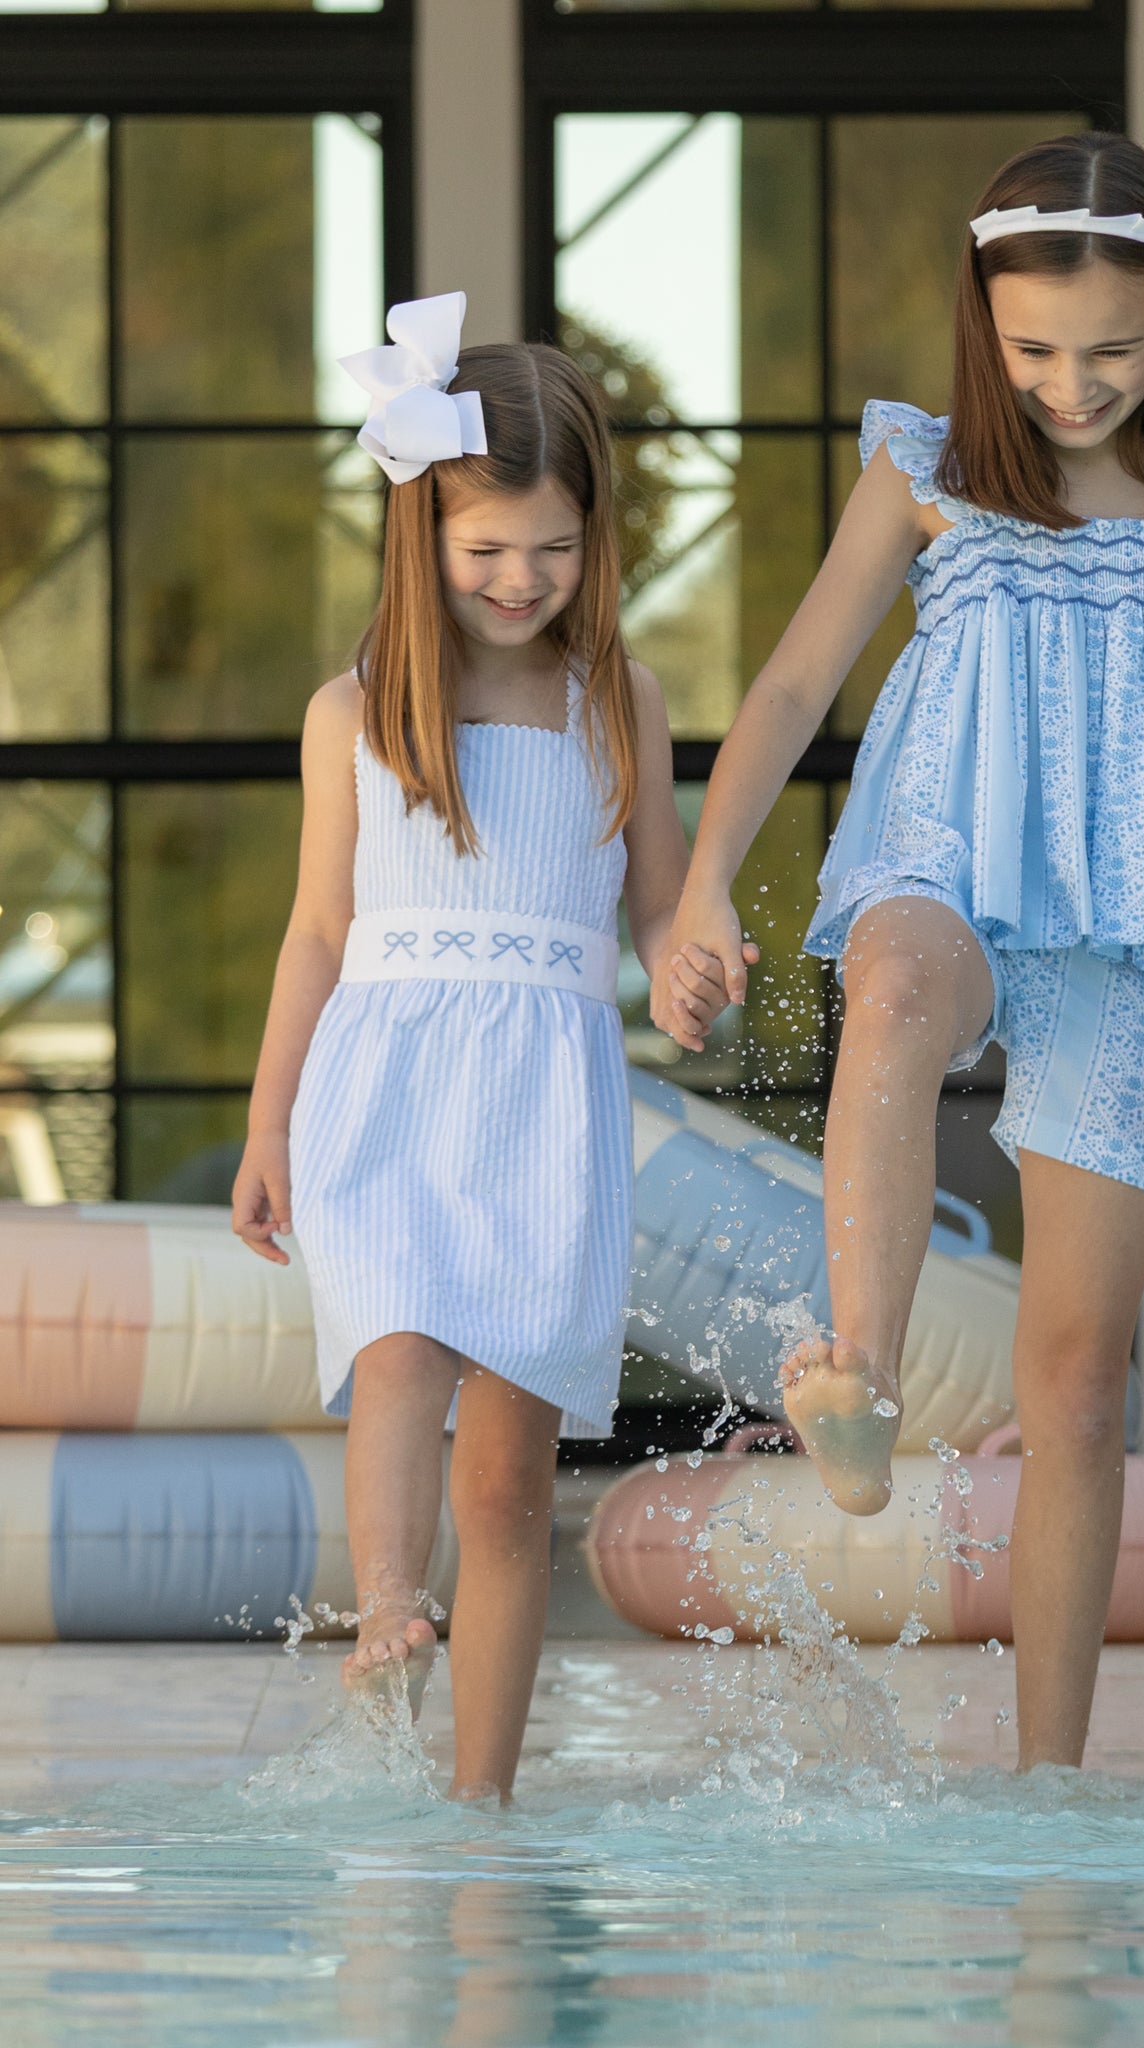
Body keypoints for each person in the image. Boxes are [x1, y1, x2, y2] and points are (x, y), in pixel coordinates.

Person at [662, 133, 1144, 1769]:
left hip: (1125, 921)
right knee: (889, 988)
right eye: (1032, 353)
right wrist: (703, 883)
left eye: (1110, 352)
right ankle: (858, 1371)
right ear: (982, 326)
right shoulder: (930, 463)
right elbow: (799, 684)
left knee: (1080, 1381)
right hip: (941, 848)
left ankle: (1050, 1780)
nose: (1068, 386)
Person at [231, 294, 698, 1803]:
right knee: (396, 1363)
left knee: (504, 1483)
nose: (519, 579)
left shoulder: (620, 705)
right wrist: (266, 1125)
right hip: (386, 1084)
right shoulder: (357, 712)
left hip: (544, 1109)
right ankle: (384, 1617)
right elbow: (315, 929)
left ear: (596, 544)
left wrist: (698, 973)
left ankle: (482, 1797)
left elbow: (663, 913)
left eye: (553, 550)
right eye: (485, 549)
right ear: (422, 535)